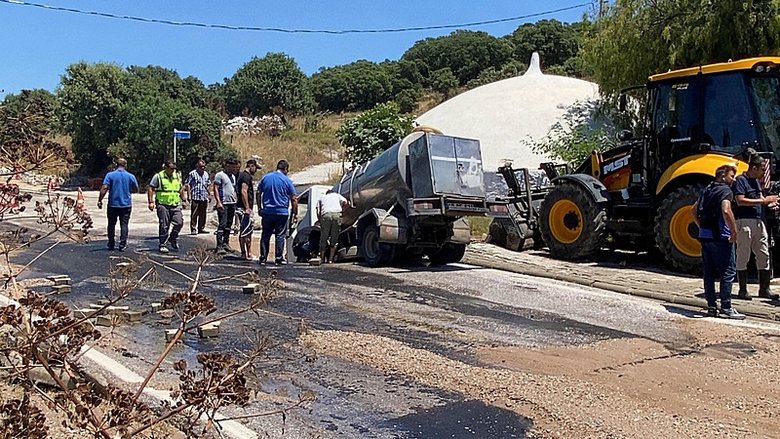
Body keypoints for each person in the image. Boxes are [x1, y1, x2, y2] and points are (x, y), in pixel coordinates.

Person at [691, 163, 744, 319]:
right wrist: (734, 232)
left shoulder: (707, 190)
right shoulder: (725, 191)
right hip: (721, 237)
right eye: (731, 176)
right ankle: (726, 307)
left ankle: (711, 307)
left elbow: (693, 210)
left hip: (705, 236)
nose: (733, 180)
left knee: (708, 273)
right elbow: (726, 210)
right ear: (723, 175)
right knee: (727, 272)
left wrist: (701, 226)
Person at [733, 154, 780, 300]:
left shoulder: (756, 182)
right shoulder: (741, 181)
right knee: (744, 254)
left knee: (763, 253)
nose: (763, 172)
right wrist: (764, 200)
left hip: (759, 221)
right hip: (745, 221)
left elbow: (760, 200)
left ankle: (764, 288)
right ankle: (742, 289)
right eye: (762, 169)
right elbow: (740, 200)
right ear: (753, 168)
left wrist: (768, 203)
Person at [257, 160, 297, 266]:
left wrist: (259, 207)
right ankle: (278, 258)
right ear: (286, 169)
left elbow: (258, 192)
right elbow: (294, 198)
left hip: (267, 211)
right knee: (280, 235)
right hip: (281, 212)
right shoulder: (287, 181)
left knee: (265, 234)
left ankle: (263, 258)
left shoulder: (266, 178)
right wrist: (295, 213)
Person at [97, 158, 138, 252]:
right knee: (124, 224)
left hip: (113, 204)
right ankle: (122, 244)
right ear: (126, 165)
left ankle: (111, 243)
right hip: (126, 204)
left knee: (111, 224)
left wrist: (100, 200)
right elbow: (136, 189)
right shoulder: (131, 176)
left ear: (116, 165)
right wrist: (128, 191)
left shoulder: (110, 175)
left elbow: (104, 188)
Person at [147, 161, 187, 254]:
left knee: (179, 222)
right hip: (162, 204)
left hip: (175, 203)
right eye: (171, 168)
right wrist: (151, 202)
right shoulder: (158, 176)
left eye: (174, 169)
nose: (173, 170)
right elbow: (150, 188)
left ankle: (172, 238)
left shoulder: (177, 176)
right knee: (164, 225)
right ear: (166, 168)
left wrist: (184, 200)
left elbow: (180, 189)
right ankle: (163, 244)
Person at [213, 158, 239, 254]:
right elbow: (215, 189)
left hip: (232, 203)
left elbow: (233, 188)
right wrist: (218, 202)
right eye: (232, 167)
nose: (234, 169)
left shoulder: (233, 177)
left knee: (229, 224)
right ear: (227, 166)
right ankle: (219, 245)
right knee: (222, 224)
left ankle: (226, 242)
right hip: (223, 203)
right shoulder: (220, 175)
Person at [317, 189, 348, 263]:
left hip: (326, 215)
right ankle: (330, 259)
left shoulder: (322, 197)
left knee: (324, 237)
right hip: (337, 214)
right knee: (334, 237)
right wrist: (343, 209)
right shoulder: (337, 195)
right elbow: (346, 202)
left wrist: (320, 220)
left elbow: (318, 210)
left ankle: (322, 258)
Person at [236, 159, 259, 260]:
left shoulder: (241, 175)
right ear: (251, 166)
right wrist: (247, 207)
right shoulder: (246, 176)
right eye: (255, 168)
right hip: (244, 208)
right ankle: (248, 253)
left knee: (243, 231)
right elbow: (243, 191)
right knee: (247, 231)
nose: (256, 170)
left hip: (240, 207)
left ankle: (243, 253)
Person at [185, 159, 210, 235]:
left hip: (204, 196)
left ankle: (201, 228)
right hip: (195, 196)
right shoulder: (192, 173)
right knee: (194, 213)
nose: (202, 168)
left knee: (203, 213)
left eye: (203, 167)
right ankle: (193, 228)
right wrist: (189, 195)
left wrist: (209, 194)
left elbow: (208, 184)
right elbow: (188, 185)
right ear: (197, 166)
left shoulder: (206, 174)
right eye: (200, 167)